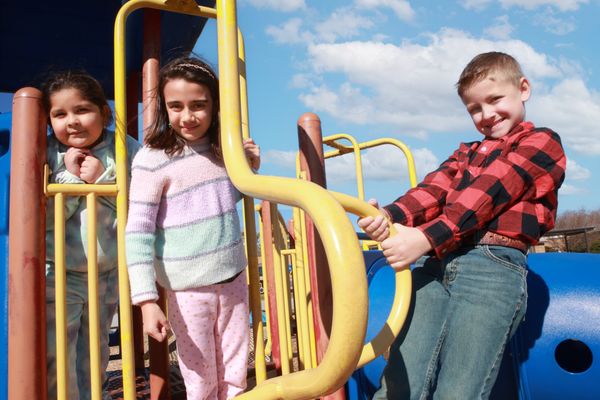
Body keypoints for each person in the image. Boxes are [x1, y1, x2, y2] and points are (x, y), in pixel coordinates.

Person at [358, 51, 566, 399]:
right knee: (399, 384)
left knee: (458, 390)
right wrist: (390, 217)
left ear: (523, 89)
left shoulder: (541, 142)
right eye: (474, 109)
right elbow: (431, 191)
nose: (487, 115)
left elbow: (491, 191)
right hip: (435, 262)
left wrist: (426, 236)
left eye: (495, 99)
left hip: (491, 266)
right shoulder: (465, 153)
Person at [125, 56, 260, 400]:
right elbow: (138, 231)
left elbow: (218, 201)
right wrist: (146, 301)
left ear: (215, 106)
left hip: (232, 279)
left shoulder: (222, 151)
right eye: (176, 106)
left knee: (235, 371)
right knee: (200, 375)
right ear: (165, 109)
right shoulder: (153, 158)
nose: (188, 116)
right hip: (188, 289)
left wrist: (248, 171)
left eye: (199, 105)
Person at [42, 71, 140, 400]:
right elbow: (39, 218)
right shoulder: (48, 153)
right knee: (57, 350)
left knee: (95, 349)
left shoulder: (124, 148)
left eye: (82, 110)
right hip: (59, 271)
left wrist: (104, 180)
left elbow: (141, 205)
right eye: (60, 114)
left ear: (104, 112)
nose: (72, 121)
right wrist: (69, 179)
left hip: (108, 272)